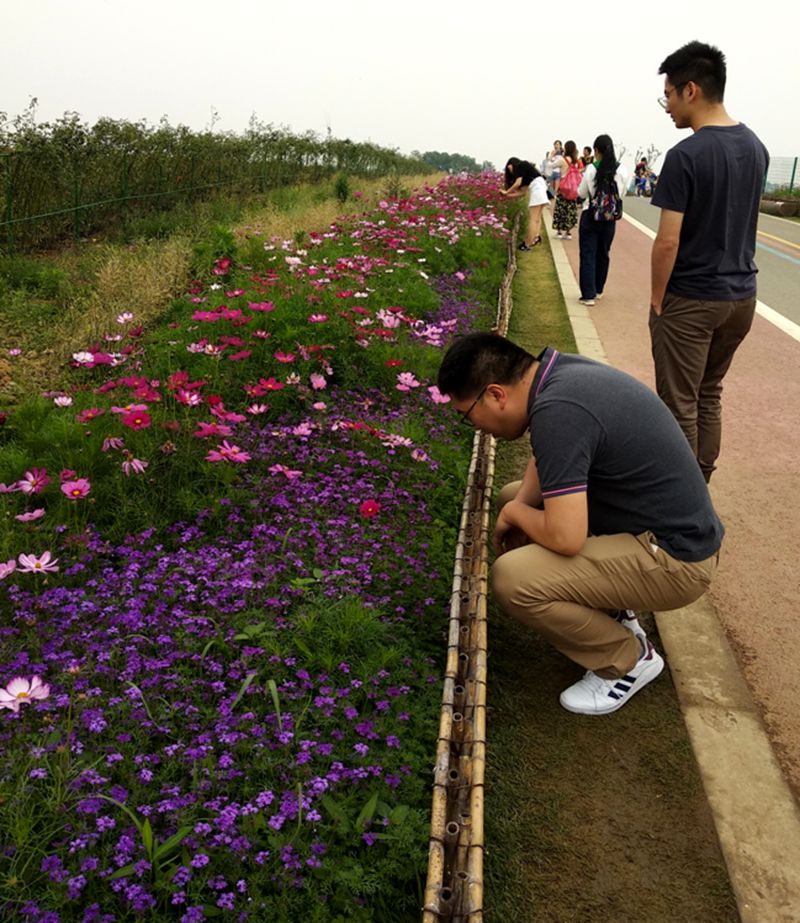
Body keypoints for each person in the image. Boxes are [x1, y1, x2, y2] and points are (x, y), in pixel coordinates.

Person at [437, 332, 723, 715]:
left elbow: (566, 538)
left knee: (513, 579)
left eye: (468, 415)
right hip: (650, 526)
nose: (475, 426)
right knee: (514, 496)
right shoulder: (556, 376)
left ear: (495, 394)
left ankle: (627, 660)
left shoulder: (558, 411)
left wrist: (516, 515)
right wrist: (517, 507)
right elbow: (546, 458)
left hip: (677, 561)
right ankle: (613, 613)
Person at [650, 41, 769, 482]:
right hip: (741, 298)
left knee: (679, 402)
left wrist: (657, 301)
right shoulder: (755, 147)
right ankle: (700, 485)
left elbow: (667, 242)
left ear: (691, 90)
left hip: (692, 298)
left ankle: (682, 500)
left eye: (668, 95)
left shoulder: (685, 156)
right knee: (708, 394)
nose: (667, 107)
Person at [576, 135, 628, 306]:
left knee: (588, 254)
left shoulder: (591, 169)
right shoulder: (622, 170)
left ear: (596, 150)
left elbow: (582, 193)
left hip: (591, 216)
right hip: (610, 218)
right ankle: (599, 290)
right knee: (603, 253)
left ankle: (588, 295)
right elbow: (621, 194)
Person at [500, 157, 548, 250]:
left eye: (509, 168)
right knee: (537, 218)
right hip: (541, 188)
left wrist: (507, 192)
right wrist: (508, 196)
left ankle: (527, 244)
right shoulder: (527, 172)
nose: (510, 172)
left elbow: (517, 183)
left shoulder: (521, 165)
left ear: (511, 165)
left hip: (537, 189)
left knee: (533, 219)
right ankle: (535, 237)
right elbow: (523, 192)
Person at [552, 140, 581, 239]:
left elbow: (551, 166)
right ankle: (568, 232)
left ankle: (559, 232)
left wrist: (552, 155)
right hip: (572, 189)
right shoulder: (576, 161)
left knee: (560, 209)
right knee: (570, 210)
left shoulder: (562, 160)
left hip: (563, 188)